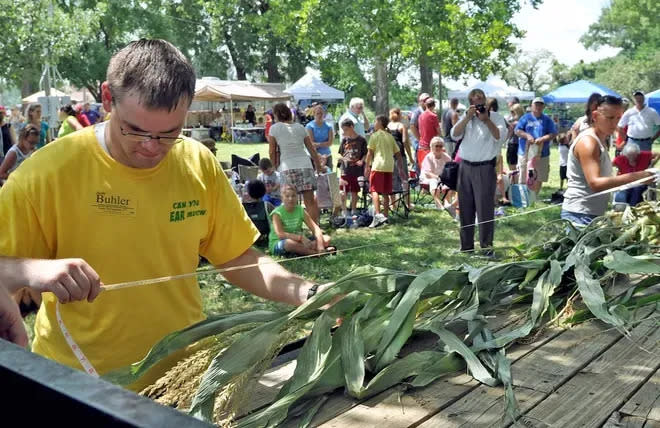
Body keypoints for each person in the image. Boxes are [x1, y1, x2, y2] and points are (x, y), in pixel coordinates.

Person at [0, 39, 322, 392]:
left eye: (169, 133)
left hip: (186, 378)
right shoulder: (44, 175)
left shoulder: (197, 162)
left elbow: (237, 257)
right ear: (108, 98)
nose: (152, 147)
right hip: (84, 385)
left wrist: (307, 292)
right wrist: (31, 270)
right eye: (135, 129)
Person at [562, 96, 657, 226]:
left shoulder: (599, 140)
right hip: (580, 214)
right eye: (610, 118)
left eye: (618, 118)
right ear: (595, 116)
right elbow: (595, 183)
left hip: (590, 212)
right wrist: (640, 176)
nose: (614, 123)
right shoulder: (588, 142)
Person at [450, 88, 507, 255]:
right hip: (465, 167)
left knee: (485, 209)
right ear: (470, 102)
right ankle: (466, 247)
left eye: (480, 98)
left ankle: (486, 247)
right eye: (474, 99)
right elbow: (454, 135)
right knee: (465, 208)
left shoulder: (496, 117)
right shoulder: (467, 117)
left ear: (485, 100)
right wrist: (467, 117)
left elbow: (500, 137)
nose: (478, 101)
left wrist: (486, 120)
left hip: (484, 168)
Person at [268, 102, 323, 224]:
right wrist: (318, 166)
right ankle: (316, 230)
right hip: (305, 165)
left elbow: (272, 151)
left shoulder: (274, 128)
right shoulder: (300, 127)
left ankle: (291, 227)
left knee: (289, 200)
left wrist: (273, 165)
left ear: (276, 115)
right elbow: (312, 150)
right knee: (310, 202)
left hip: (287, 166)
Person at [364, 115, 406, 228]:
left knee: (374, 191)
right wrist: (401, 168)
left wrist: (367, 167)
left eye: (375, 121)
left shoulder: (374, 136)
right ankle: (385, 217)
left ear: (380, 123)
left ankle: (378, 216)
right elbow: (398, 154)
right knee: (386, 192)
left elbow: (369, 153)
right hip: (389, 166)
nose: (374, 123)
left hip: (378, 166)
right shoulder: (390, 136)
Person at [268, 185, 333, 257]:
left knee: (326, 238)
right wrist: (301, 238)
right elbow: (281, 235)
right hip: (280, 242)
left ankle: (311, 250)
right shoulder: (277, 213)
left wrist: (320, 245)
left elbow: (315, 228)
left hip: (299, 242)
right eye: (287, 196)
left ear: (297, 197)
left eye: (293, 196)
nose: (290, 199)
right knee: (289, 244)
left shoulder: (300, 209)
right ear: (282, 198)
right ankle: (316, 253)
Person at [514, 97, 557, 193]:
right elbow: (517, 130)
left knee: (539, 175)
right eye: (536, 104)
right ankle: (524, 196)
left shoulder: (547, 119)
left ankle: (534, 196)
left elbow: (553, 133)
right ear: (532, 106)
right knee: (523, 173)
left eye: (540, 105)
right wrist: (527, 135)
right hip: (525, 151)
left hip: (542, 153)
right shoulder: (525, 118)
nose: (538, 107)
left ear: (543, 106)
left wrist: (543, 139)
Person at [612, 142, 660, 206]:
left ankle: (632, 208)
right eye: (629, 155)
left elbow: (658, 154)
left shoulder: (644, 155)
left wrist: (652, 163)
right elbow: (609, 165)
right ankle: (621, 209)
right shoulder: (620, 159)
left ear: (638, 153)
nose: (631, 157)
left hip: (641, 182)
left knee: (637, 190)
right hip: (625, 183)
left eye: (634, 155)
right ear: (625, 154)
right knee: (621, 194)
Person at [338, 119, 368, 217]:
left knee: (355, 190)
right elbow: (341, 154)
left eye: (346, 129)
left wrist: (362, 161)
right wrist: (342, 159)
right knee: (344, 190)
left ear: (352, 127)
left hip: (357, 169)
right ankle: (344, 210)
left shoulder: (361, 140)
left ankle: (354, 209)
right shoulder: (344, 140)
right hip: (345, 169)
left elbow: (365, 153)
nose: (344, 132)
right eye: (343, 130)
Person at [387, 108, 412, 206]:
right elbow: (405, 141)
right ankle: (407, 203)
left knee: (392, 179)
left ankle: (393, 204)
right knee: (404, 179)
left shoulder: (387, 127)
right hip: (400, 155)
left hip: (389, 155)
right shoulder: (402, 126)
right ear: (399, 115)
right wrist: (410, 156)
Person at [420, 137, 453, 210]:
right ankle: (438, 203)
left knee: (450, 183)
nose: (438, 148)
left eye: (440, 146)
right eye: (436, 146)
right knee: (434, 182)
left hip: (442, 177)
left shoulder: (446, 157)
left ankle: (447, 202)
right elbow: (427, 173)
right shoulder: (429, 157)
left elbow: (450, 168)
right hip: (429, 177)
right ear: (431, 147)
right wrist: (438, 178)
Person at [305, 105, 334, 171]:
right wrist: (324, 144)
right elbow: (311, 144)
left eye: (321, 113)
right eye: (318, 113)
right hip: (313, 156)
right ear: (314, 114)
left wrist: (318, 144)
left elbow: (330, 143)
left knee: (328, 178)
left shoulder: (328, 126)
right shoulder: (309, 126)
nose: (320, 115)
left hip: (327, 156)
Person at [417, 98, 440, 167]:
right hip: (431, 147)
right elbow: (439, 131)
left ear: (426, 105)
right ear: (434, 106)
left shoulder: (420, 116)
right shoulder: (433, 116)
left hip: (421, 146)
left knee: (424, 168)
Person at [409, 93, 430, 167]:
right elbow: (412, 126)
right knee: (419, 161)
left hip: (426, 142)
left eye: (428, 100)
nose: (427, 102)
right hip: (418, 142)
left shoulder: (429, 111)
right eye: (425, 100)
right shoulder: (417, 112)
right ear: (420, 102)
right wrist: (420, 139)